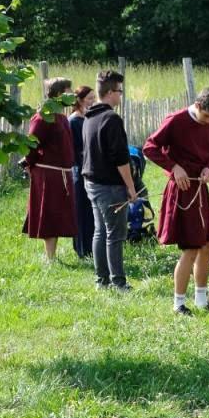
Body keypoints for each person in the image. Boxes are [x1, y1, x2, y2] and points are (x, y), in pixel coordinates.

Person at [143, 87, 209, 315]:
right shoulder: (176, 121)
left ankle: (201, 299)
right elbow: (149, 147)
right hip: (182, 190)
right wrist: (174, 168)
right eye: (207, 116)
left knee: (207, 245)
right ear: (198, 106)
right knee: (190, 248)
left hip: (199, 189)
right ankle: (178, 304)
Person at [82, 70, 137, 291]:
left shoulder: (90, 116)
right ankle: (118, 282)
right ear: (110, 92)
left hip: (92, 183)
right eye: (120, 91)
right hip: (109, 186)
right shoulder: (111, 118)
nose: (121, 96)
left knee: (100, 231)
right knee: (115, 235)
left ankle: (101, 281)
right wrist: (131, 187)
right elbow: (120, 158)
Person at [22, 77, 77, 260]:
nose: (73, 94)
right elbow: (31, 144)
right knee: (50, 215)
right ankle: (50, 257)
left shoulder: (61, 116)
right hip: (48, 173)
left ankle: (52, 255)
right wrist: (29, 164)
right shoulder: (43, 117)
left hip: (61, 173)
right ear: (60, 94)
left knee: (58, 214)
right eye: (70, 90)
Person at [69, 85, 96, 258]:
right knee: (81, 210)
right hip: (79, 170)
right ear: (79, 100)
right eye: (89, 99)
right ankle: (81, 249)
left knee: (90, 211)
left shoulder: (87, 118)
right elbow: (75, 149)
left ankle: (91, 248)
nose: (93, 101)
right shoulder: (74, 121)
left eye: (94, 98)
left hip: (90, 168)